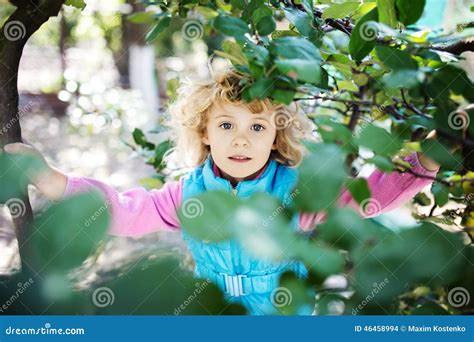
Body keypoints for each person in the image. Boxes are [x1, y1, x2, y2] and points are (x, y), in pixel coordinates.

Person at [2, 68, 440, 315]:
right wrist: (49, 178)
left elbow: (367, 199)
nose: (242, 140)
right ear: (206, 133)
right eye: (227, 125)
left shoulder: (298, 192)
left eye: (257, 127)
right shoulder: (188, 193)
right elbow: (122, 209)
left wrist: (428, 162)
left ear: (276, 136)